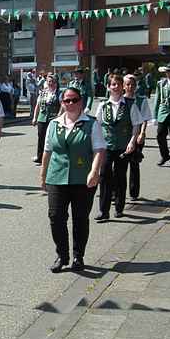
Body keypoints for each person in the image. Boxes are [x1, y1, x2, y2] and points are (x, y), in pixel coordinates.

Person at [40, 85, 106, 273]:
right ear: (62, 103)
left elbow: (99, 149)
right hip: (56, 177)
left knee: (80, 218)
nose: (70, 103)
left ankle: (78, 256)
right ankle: (62, 255)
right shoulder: (54, 124)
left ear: (81, 102)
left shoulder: (91, 123)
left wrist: (94, 171)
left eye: (74, 100)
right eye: (66, 100)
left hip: (82, 179)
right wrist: (43, 175)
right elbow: (47, 151)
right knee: (55, 217)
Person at [94, 75, 142, 221]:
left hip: (123, 146)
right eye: (113, 84)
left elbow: (136, 124)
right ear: (108, 87)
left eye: (118, 84)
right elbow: (96, 125)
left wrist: (132, 141)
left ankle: (119, 207)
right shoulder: (103, 105)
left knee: (120, 176)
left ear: (122, 87)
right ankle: (104, 210)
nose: (115, 87)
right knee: (104, 177)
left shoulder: (130, 104)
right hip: (106, 146)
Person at [123, 74, 152, 201]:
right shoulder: (119, 99)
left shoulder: (141, 100)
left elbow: (145, 118)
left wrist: (142, 133)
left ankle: (134, 193)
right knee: (119, 166)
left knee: (134, 164)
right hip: (122, 136)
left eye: (133, 85)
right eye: (128, 84)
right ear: (123, 86)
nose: (130, 87)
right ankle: (116, 192)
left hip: (137, 135)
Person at [32, 73, 60, 164]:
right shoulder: (43, 92)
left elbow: (63, 106)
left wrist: (59, 116)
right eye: (48, 81)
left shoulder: (59, 93)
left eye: (52, 81)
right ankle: (40, 157)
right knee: (41, 138)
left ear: (56, 83)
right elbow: (38, 105)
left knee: (52, 139)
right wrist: (35, 118)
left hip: (53, 118)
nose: (50, 83)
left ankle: (52, 157)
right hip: (42, 118)